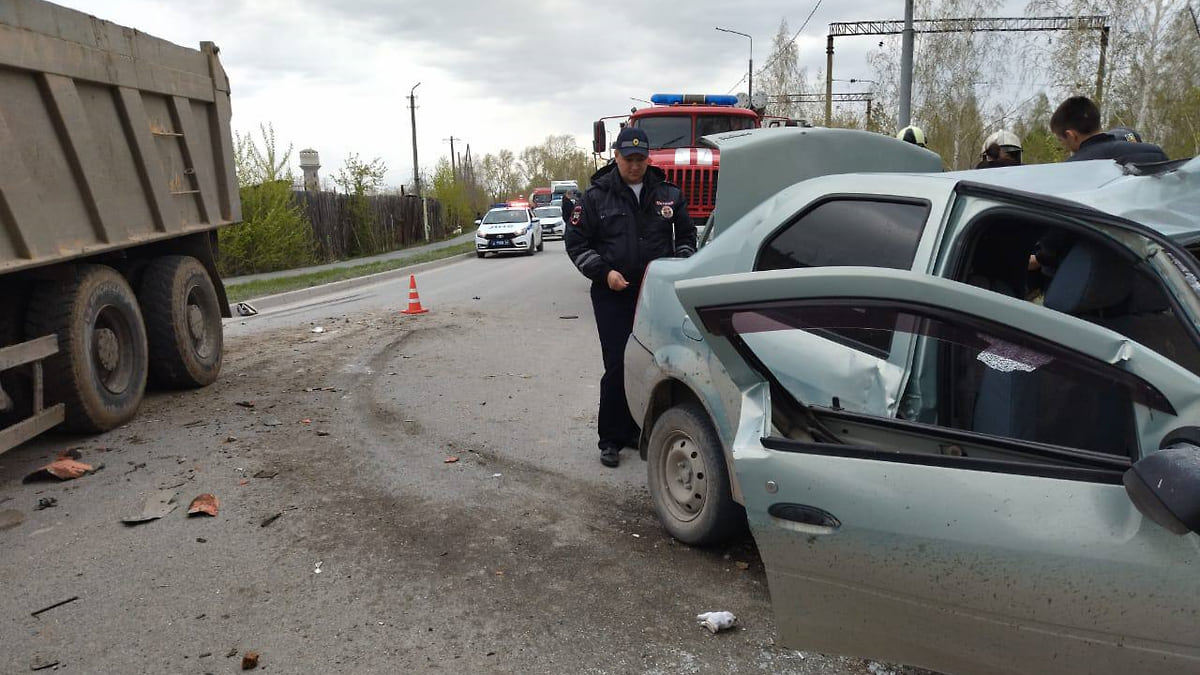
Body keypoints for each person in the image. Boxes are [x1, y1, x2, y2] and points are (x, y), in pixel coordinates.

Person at [565, 127, 696, 467]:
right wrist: (604, 272)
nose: (635, 166)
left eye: (640, 159)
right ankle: (611, 438)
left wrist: (677, 265)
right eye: (628, 159)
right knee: (618, 363)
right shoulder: (595, 198)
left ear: (648, 158)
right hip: (613, 293)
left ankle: (644, 430)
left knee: (659, 363)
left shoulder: (668, 194)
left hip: (656, 296)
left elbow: (686, 235)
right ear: (616, 157)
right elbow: (577, 243)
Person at [1049, 96, 1167, 163]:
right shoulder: (1153, 153)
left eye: (1061, 140)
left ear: (1071, 135)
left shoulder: (1070, 170)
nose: (1063, 145)